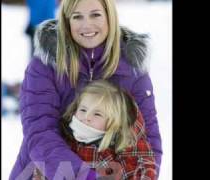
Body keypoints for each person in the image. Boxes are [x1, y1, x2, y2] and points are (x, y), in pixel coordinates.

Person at [9, 0, 162, 179]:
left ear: (109, 17)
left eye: (95, 14)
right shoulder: (45, 65)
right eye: (77, 16)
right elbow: (40, 133)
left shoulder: (132, 67)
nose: (86, 24)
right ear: (67, 21)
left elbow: (149, 139)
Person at [61, 80, 156, 179]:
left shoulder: (122, 144)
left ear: (112, 122)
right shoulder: (65, 136)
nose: (86, 117)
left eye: (97, 114)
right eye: (83, 110)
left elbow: (141, 171)